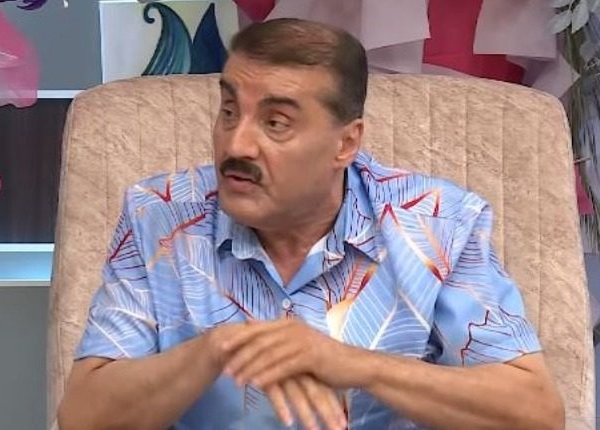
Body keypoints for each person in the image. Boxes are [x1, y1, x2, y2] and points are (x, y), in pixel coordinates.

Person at [58, 18, 564, 430]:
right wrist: (222, 347)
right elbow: (82, 418)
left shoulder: (438, 222)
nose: (236, 144)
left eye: (275, 123)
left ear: (346, 143)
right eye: (229, 111)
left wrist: (356, 365)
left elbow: (536, 413)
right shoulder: (159, 215)